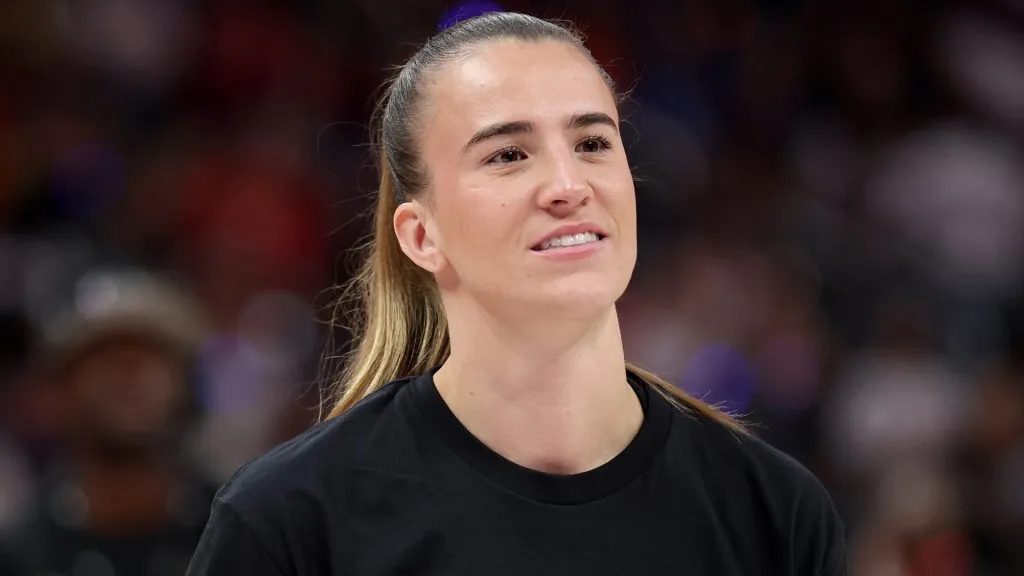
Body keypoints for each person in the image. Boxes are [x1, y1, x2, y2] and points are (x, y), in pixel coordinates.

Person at [187, 11, 848, 575]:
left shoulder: (773, 512)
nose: (568, 185)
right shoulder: (290, 522)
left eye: (592, 142)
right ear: (421, 236)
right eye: (507, 154)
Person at [4, 270, 218, 576]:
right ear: (57, 393)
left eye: (149, 357)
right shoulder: (20, 554)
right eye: (104, 357)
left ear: (186, 389)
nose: (129, 375)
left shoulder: (236, 527)